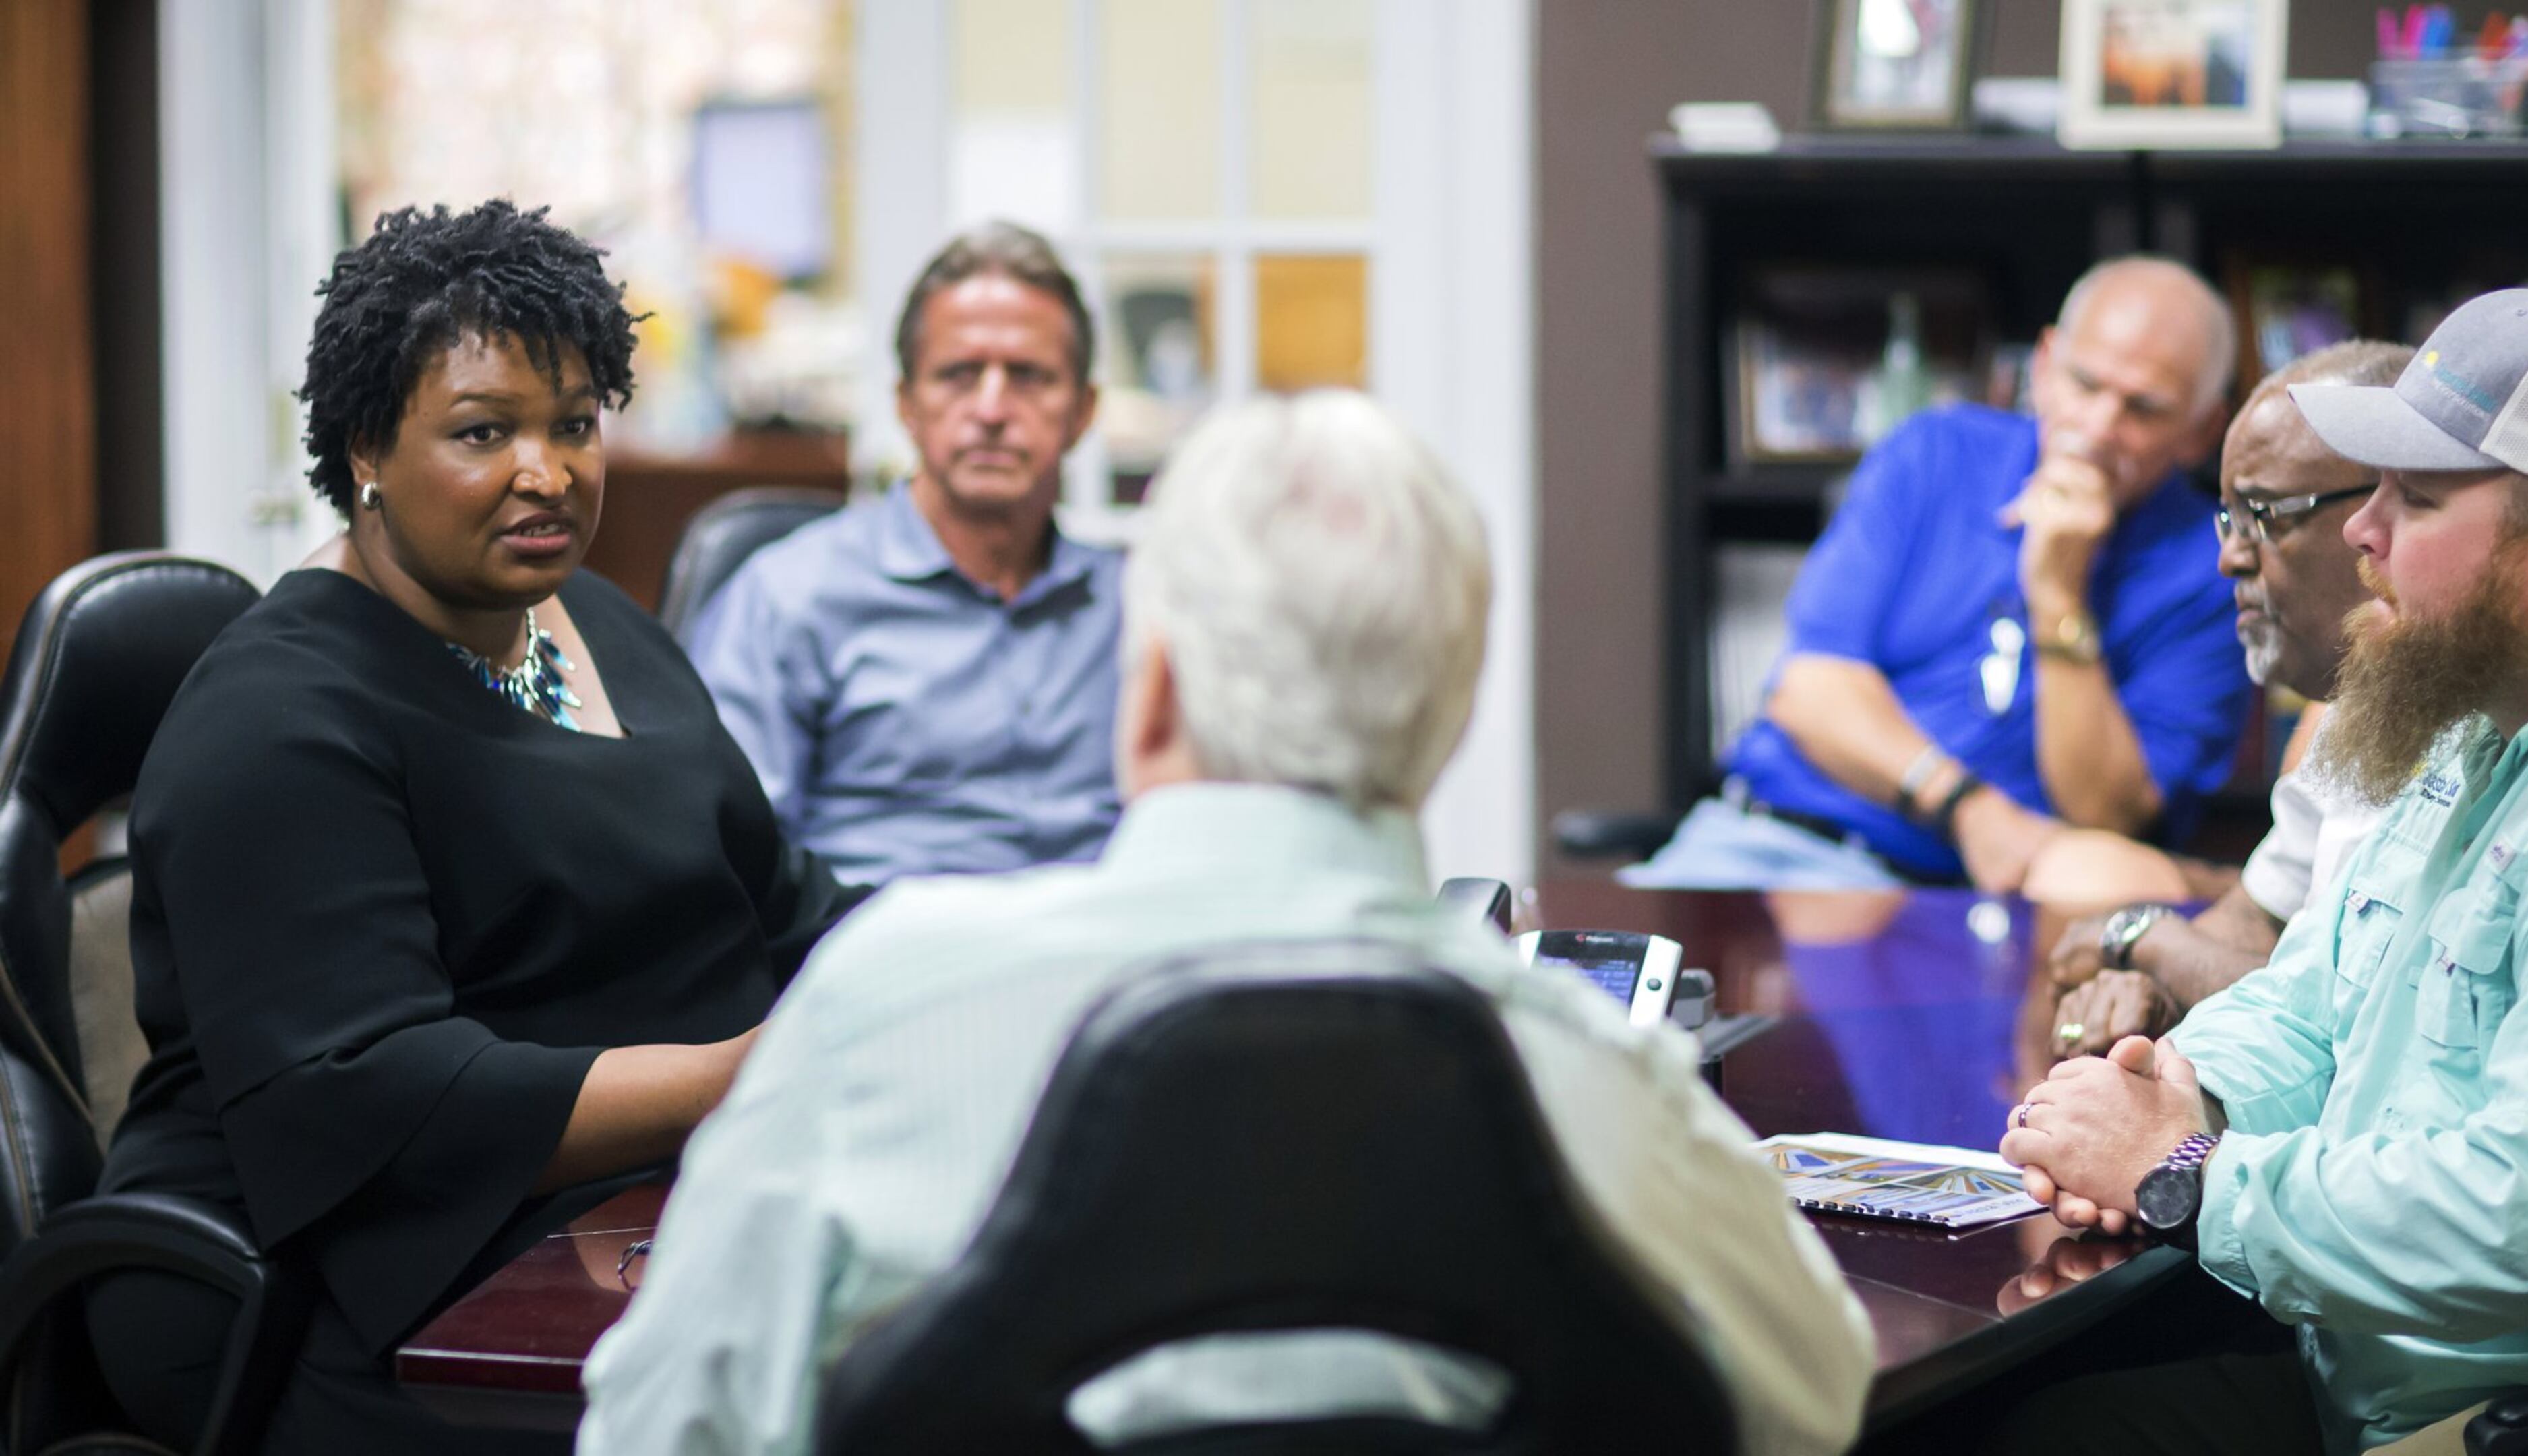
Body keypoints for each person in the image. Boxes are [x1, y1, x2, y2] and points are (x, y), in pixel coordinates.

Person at [578, 392, 1877, 1456]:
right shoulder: (1601, 1071)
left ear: (1147, 698)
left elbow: (660, 1431)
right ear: (1443, 729)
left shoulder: (886, 1006)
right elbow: (1815, 1403)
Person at [88, 201, 862, 1456]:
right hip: (340, 1275)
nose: (546, 473)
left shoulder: (598, 623)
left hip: (633, 1199)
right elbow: (379, 1100)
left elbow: (779, 900)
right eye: (483, 432)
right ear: (366, 453)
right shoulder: (276, 720)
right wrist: (747, 1078)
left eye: (573, 425)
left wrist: (949, 956)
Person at [1995, 288, 2528, 1454]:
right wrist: (2168, 1088)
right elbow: (2313, 1003)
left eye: (2413, 501)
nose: (2362, 535)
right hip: (2364, 1376)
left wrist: (2188, 1175)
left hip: (2501, 1417)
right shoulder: (2471, 737)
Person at [1628, 256, 2253, 894]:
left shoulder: (2217, 569)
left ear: (2202, 431)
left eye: (2143, 410)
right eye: (2085, 385)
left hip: (1978, 902)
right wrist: (1965, 807)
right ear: (2042, 366)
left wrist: (2058, 592)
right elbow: (1809, 689)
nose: (2097, 429)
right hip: (1768, 842)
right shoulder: (1933, 450)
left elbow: (2107, 815)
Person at [689, 222, 1123, 886]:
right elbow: (727, 861)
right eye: (958, 374)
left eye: (1030, 377)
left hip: (1109, 972)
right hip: (883, 961)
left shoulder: (1139, 611)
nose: (991, 409)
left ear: (1083, 411)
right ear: (907, 406)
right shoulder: (791, 597)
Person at [2033, 341, 2411, 1058]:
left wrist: (2142, 939)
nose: (2230, 557)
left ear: (2391, 508)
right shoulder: (2357, 704)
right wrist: (2152, 979)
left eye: (2265, 514)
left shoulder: (2475, 702)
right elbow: (2258, 917)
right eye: (2229, 518)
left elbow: (2347, 1020)